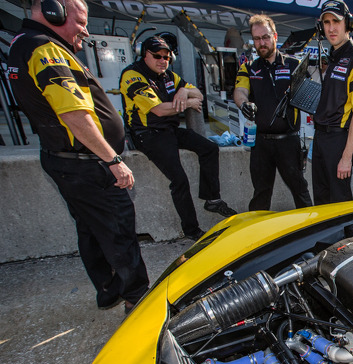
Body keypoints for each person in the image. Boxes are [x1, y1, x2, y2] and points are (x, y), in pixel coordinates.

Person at [9, 0, 149, 315]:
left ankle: (108, 291)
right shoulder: (46, 50)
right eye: (80, 21)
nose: (86, 30)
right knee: (118, 230)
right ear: (53, 12)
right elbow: (74, 115)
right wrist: (113, 160)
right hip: (88, 165)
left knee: (90, 229)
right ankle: (138, 301)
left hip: (68, 162)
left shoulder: (25, 45)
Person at [120, 35, 236, 241]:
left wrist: (183, 91)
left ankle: (212, 198)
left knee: (210, 148)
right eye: (157, 56)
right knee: (179, 180)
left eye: (166, 57)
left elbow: (198, 94)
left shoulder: (168, 75)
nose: (162, 60)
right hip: (147, 134)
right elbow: (159, 110)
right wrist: (188, 103)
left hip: (171, 130)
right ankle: (191, 230)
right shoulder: (132, 75)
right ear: (144, 55)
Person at [233, 15, 312, 211]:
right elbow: (239, 91)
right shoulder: (249, 67)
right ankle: (257, 237)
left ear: (275, 36)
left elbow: (310, 96)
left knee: (300, 190)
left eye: (265, 37)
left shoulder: (294, 64)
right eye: (257, 38)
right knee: (261, 193)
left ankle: (313, 234)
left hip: (288, 141)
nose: (262, 42)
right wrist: (244, 104)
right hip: (260, 143)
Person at [312, 0, 353, 204]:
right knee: (321, 200)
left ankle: (347, 237)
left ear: (347, 24)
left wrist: (346, 157)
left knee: (339, 203)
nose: (331, 28)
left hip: (338, 142)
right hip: (321, 138)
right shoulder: (333, 57)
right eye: (326, 22)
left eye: (336, 22)